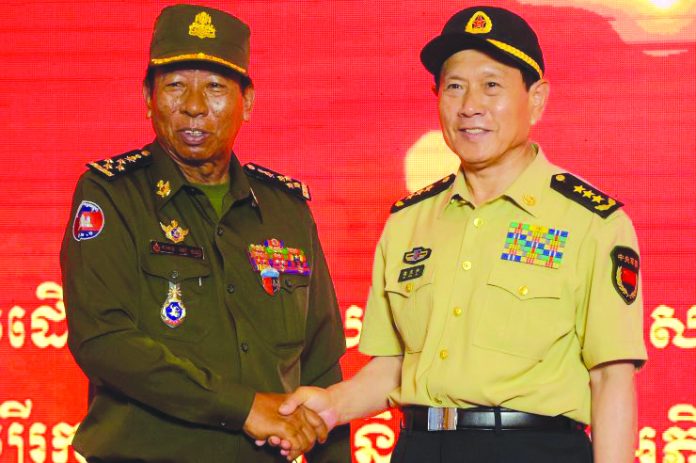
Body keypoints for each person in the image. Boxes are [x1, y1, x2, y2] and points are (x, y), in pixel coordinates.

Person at [276, 5, 647, 463]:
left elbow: (611, 378)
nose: (470, 106)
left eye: (491, 85)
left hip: (534, 448)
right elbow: (394, 368)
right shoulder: (408, 222)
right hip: (420, 447)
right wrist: (332, 405)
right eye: (455, 87)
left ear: (536, 98)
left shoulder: (592, 221)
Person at [60, 4, 349, 462]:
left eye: (215, 87)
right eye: (176, 86)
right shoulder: (111, 194)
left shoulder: (285, 209)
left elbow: (322, 364)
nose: (194, 106)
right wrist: (243, 407)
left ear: (247, 101)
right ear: (148, 96)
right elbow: (103, 340)